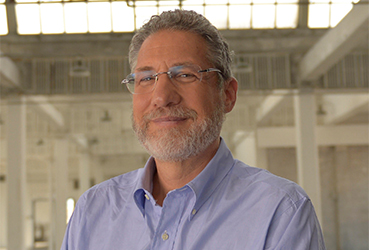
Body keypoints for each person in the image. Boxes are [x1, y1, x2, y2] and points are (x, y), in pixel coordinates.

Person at [61, 9, 326, 250]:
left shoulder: (280, 212)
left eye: (185, 75)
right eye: (146, 78)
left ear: (227, 95)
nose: (162, 97)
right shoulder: (92, 211)